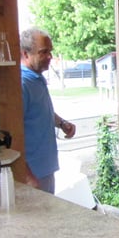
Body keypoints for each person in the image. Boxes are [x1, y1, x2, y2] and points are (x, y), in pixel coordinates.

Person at [20, 27, 76, 193]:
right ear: (25, 54)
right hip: (33, 174)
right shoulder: (23, 83)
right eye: (43, 52)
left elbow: (41, 112)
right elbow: (13, 135)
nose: (50, 56)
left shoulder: (36, 78)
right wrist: (28, 176)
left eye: (50, 51)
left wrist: (62, 123)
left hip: (45, 169)